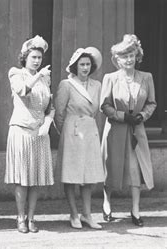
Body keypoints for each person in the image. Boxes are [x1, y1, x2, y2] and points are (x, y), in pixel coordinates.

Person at [100, 34, 156, 227]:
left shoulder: (146, 78)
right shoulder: (111, 78)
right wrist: (123, 116)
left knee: (135, 170)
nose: (129, 59)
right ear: (117, 59)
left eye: (132, 55)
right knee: (111, 168)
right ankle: (107, 202)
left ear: (137, 55)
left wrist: (142, 116)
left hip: (136, 131)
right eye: (124, 56)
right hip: (116, 129)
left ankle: (135, 210)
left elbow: (151, 103)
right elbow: (104, 105)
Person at [5, 35, 54, 233]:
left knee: (36, 178)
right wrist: (38, 75)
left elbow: (50, 106)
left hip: (40, 133)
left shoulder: (45, 77)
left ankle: (32, 217)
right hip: (21, 131)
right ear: (25, 57)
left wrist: (48, 123)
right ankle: (20, 218)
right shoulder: (16, 73)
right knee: (23, 177)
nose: (36, 61)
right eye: (33, 57)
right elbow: (23, 91)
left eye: (39, 58)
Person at [54, 47, 104, 230]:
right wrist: (66, 132)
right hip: (72, 131)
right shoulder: (66, 85)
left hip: (90, 131)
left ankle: (87, 215)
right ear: (75, 66)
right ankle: (74, 213)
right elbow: (59, 113)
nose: (85, 68)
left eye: (88, 64)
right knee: (71, 175)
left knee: (88, 176)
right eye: (82, 64)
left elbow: (96, 111)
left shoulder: (97, 85)